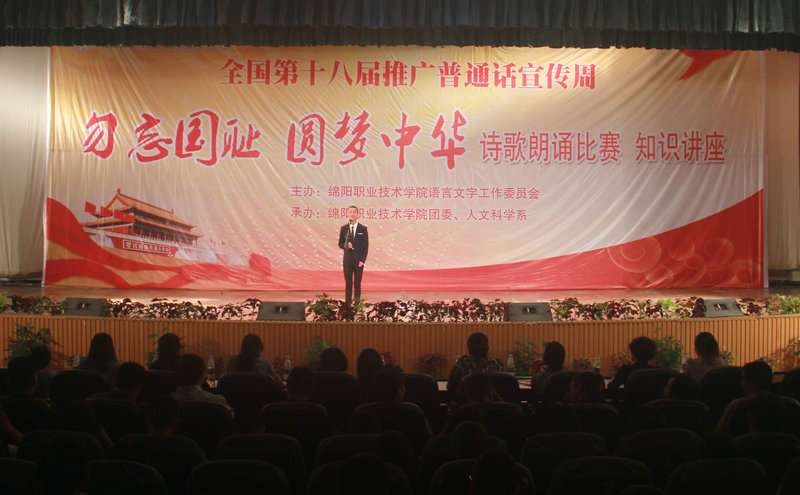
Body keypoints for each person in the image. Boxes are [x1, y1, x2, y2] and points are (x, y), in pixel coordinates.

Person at [338, 205, 368, 306]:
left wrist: (362, 260)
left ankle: (357, 305)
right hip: (347, 260)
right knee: (348, 283)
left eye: (354, 212)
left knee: (357, 284)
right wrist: (346, 245)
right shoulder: (344, 228)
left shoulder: (363, 229)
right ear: (347, 214)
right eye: (350, 212)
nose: (352, 214)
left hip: (359, 261)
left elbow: (365, 246)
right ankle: (347, 305)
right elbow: (340, 243)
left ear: (357, 214)